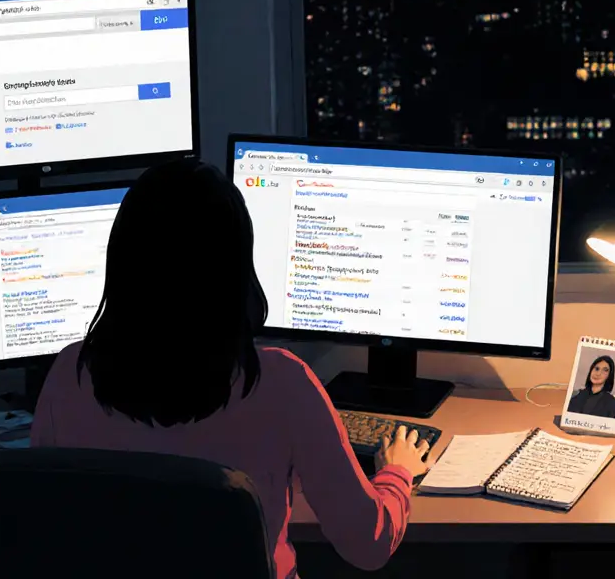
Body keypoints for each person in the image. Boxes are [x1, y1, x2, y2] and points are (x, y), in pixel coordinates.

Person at [29, 159, 430, 579]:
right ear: (235, 271)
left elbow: (42, 522)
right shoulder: (282, 384)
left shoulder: (69, 375)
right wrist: (397, 473)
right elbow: (367, 544)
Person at [566, 355, 615, 419]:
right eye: (596, 369)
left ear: (609, 375)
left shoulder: (613, 403)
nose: (598, 374)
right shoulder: (575, 396)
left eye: (605, 370)